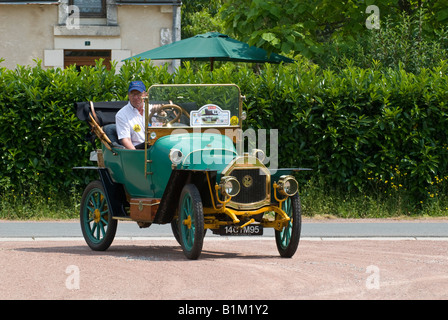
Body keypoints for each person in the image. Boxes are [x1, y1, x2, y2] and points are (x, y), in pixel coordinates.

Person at [115, 81, 151, 150]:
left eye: (139, 94)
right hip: (138, 150)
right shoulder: (121, 115)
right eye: (132, 94)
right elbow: (126, 140)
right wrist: (136, 155)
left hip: (155, 148)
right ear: (128, 95)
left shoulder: (152, 109)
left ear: (145, 95)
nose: (135, 97)